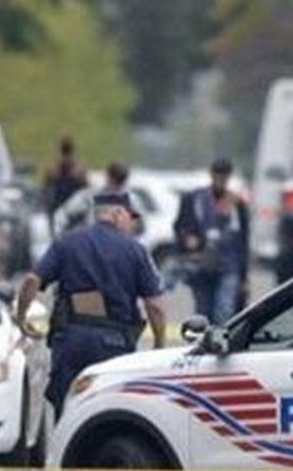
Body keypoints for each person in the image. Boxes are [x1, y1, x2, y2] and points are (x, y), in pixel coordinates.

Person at [15, 191, 166, 418]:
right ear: (116, 214)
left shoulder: (66, 242)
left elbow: (31, 280)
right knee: (111, 410)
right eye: (129, 216)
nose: (132, 223)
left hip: (71, 340)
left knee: (66, 407)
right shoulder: (135, 250)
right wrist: (159, 343)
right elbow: (155, 306)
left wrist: (21, 316)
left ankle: (67, 451)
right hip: (114, 344)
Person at [174, 158, 249, 323]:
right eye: (218, 176)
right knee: (203, 311)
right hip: (201, 264)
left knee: (224, 311)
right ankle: (204, 345)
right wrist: (187, 239)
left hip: (228, 265)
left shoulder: (237, 204)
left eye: (224, 177)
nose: (221, 181)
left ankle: (220, 345)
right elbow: (179, 226)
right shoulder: (194, 199)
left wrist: (244, 276)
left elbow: (243, 241)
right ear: (211, 175)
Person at [41, 137, 88, 225]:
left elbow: (45, 189)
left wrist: (46, 207)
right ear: (73, 150)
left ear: (60, 149)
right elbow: (86, 188)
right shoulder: (80, 168)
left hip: (59, 207)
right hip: (75, 209)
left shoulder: (53, 168)